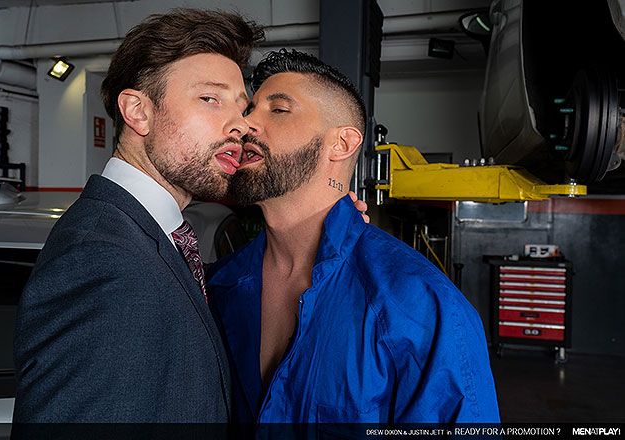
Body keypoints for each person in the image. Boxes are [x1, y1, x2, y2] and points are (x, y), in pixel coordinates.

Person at [207, 49, 501, 425]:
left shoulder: (422, 307)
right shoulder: (218, 285)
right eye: (249, 110)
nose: (246, 124)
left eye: (278, 109)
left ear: (342, 143)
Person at [12, 9, 262, 423]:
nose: (241, 126)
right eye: (210, 99)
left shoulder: (149, 236)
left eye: (242, 107)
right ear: (138, 111)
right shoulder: (102, 260)